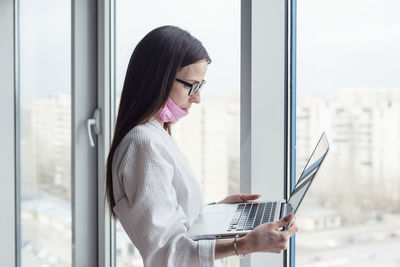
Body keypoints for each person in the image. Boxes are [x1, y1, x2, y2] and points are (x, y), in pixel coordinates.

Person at [106, 25, 298, 267]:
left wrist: (216, 210)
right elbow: (165, 255)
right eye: (191, 86)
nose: (197, 98)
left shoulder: (154, 135)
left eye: (200, 86)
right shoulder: (143, 144)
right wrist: (245, 244)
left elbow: (175, 220)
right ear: (158, 79)